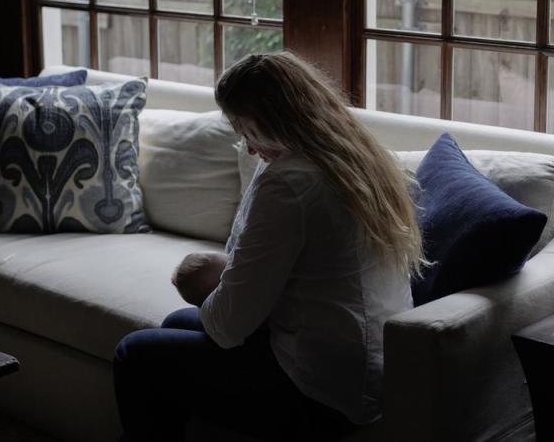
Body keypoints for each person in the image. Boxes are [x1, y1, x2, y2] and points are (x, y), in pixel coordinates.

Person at [113, 52, 423, 441]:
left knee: (135, 354)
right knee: (178, 324)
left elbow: (228, 327)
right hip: (366, 368)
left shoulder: (289, 182)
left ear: (277, 118)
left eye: (246, 130)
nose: (249, 148)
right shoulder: (357, 158)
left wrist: (208, 286)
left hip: (317, 390)